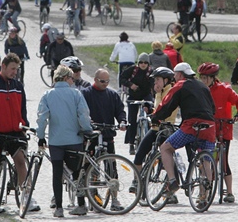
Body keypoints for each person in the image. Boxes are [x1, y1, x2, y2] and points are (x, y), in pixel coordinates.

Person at [0, 53, 40, 213]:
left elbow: (23, 109)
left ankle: (27, 196)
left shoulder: (18, 86)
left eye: (17, 69)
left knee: (21, 162)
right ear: (4, 67)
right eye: (13, 69)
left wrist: (25, 125)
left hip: (15, 132)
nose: (15, 72)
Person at [150, 62, 216, 198]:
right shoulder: (204, 86)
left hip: (191, 125)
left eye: (175, 75)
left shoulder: (181, 85)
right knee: (205, 160)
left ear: (179, 74)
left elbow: (167, 104)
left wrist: (156, 117)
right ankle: (205, 195)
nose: (174, 78)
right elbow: (213, 109)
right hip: (209, 127)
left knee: (165, 149)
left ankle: (173, 181)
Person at [36, 65, 93, 217]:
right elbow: (83, 114)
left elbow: (42, 118)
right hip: (74, 138)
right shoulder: (76, 94)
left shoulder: (48, 95)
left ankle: (59, 208)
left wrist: (41, 136)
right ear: (67, 78)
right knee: (77, 172)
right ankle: (81, 205)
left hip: (56, 141)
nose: (73, 81)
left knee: (57, 173)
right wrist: (87, 130)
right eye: (72, 79)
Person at [197, 62, 238, 203]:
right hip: (207, 130)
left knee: (223, 161)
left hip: (223, 128)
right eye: (202, 78)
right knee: (204, 161)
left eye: (206, 78)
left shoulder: (225, 90)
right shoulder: (200, 90)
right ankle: (203, 192)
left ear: (213, 78)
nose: (204, 81)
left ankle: (229, 192)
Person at [131, 66, 179, 204]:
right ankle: (136, 182)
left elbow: (168, 110)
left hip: (166, 129)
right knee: (140, 154)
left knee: (167, 158)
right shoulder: (159, 91)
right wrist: (150, 109)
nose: (155, 83)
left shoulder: (171, 91)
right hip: (155, 128)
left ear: (166, 80)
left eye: (157, 80)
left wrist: (155, 114)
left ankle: (171, 191)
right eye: (155, 80)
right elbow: (158, 109)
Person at [81, 69, 128, 211]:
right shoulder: (86, 93)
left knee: (111, 169)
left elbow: (120, 110)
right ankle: (93, 198)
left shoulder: (112, 94)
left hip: (108, 135)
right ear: (95, 79)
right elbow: (81, 111)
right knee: (91, 169)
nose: (105, 84)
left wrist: (122, 121)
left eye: (107, 81)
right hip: (92, 136)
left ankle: (114, 199)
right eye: (102, 81)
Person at [120, 53, 154, 155]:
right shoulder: (132, 70)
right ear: (138, 63)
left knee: (151, 115)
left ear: (148, 64)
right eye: (141, 62)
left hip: (146, 95)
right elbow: (122, 78)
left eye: (145, 63)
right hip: (133, 97)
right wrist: (130, 85)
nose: (143, 64)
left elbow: (155, 83)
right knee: (132, 120)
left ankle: (150, 140)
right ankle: (131, 144)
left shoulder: (151, 72)